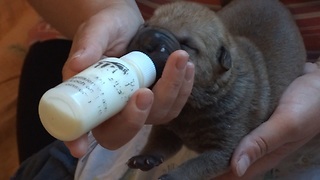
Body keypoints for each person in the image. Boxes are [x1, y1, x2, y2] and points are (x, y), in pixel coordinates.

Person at [14, 0, 320, 179]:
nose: (152, 42)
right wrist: (103, 8)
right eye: (152, 28)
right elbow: (171, 127)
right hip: (95, 38)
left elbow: (222, 151)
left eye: (186, 44)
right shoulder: (210, 41)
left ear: (223, 65)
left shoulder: (237, 100)